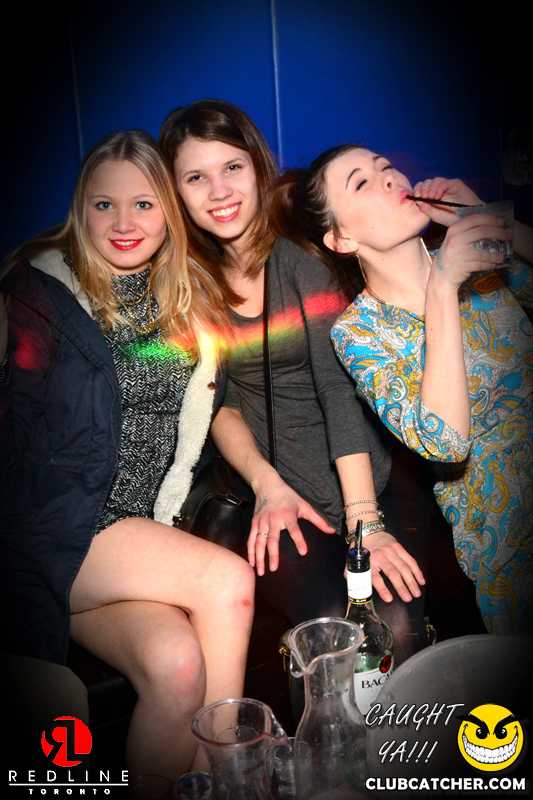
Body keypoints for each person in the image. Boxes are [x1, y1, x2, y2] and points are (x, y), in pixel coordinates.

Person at [158, 99, 468, 665]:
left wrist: (365, 523)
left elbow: (337, 391)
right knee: (329, 634)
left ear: (257, 166)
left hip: (365, 483)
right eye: (195, 177)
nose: (219, 190)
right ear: (175, 192)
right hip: (277, 488)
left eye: (232, 167)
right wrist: (267, 485)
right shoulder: (191, 284)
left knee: (393, 623)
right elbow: (219, 405)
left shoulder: (302, 262)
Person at [0, 129, 255, 779]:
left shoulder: (188, 298)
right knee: (226, 581)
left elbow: (221, 407)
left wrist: (271, 482)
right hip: (65, 529)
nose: (123, 223)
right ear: (80, 211)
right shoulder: (38, 296)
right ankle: (228, 781)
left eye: (143, 204)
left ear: (168, 212)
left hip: (137, 542)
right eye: (103, 205)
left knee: (178, 670)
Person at [275, 142, 533, 634]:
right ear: (342, 239)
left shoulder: (478, 256)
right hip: (508, 535)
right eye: (362, 183)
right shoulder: (359, 333)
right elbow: (446, 443)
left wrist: (486, 216)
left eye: (386, 167)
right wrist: (443, 286)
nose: (390, 178)